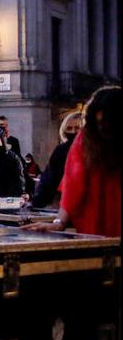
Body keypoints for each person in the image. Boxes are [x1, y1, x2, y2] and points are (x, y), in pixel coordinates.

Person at [26, 86, 121, 237]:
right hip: (95, 222)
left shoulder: (85, 140)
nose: (101, 128)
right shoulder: (84, 140)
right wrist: (59, 222)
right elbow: (73, 184)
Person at [30, 110, 83, 209]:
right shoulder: (61, 150)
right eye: (69, 128)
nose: (73, 132)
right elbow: (50, 178)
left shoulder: (95, 151)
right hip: (65, 201)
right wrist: (37, 203)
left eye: (77, 128)